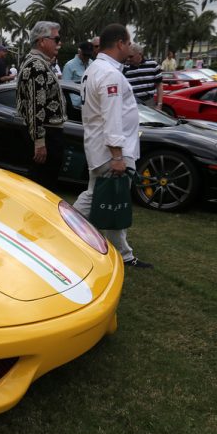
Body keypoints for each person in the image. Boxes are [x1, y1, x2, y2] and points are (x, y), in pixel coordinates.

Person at [73, 23, 153, 269]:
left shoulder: (95, 69)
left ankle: (122, 253)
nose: (130, 48)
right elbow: (112, 116)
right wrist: (118, 156)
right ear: (119, 43)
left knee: (111, 199)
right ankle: (61, 228)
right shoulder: (109, 74)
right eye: (128, 43)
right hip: (111, 152)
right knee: (98, 198)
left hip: (102, 148)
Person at [16, 21, 66, 190]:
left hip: (48, 133)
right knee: (42, 186)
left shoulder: (40, 63)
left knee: (44, 183)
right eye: (56, 39)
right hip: (46, 134)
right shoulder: (36, 65)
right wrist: (39, 142)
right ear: (42, 41)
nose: (59, 43)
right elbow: (35, 106)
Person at [123, 43, 163, 109]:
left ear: (140, 54)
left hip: (149, 102)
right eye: (128, 56)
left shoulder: (153, 65)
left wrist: (159, 104)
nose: (128, 59)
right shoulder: (124, 67)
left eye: (131, 56)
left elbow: (159, 85)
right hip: (132, 103)